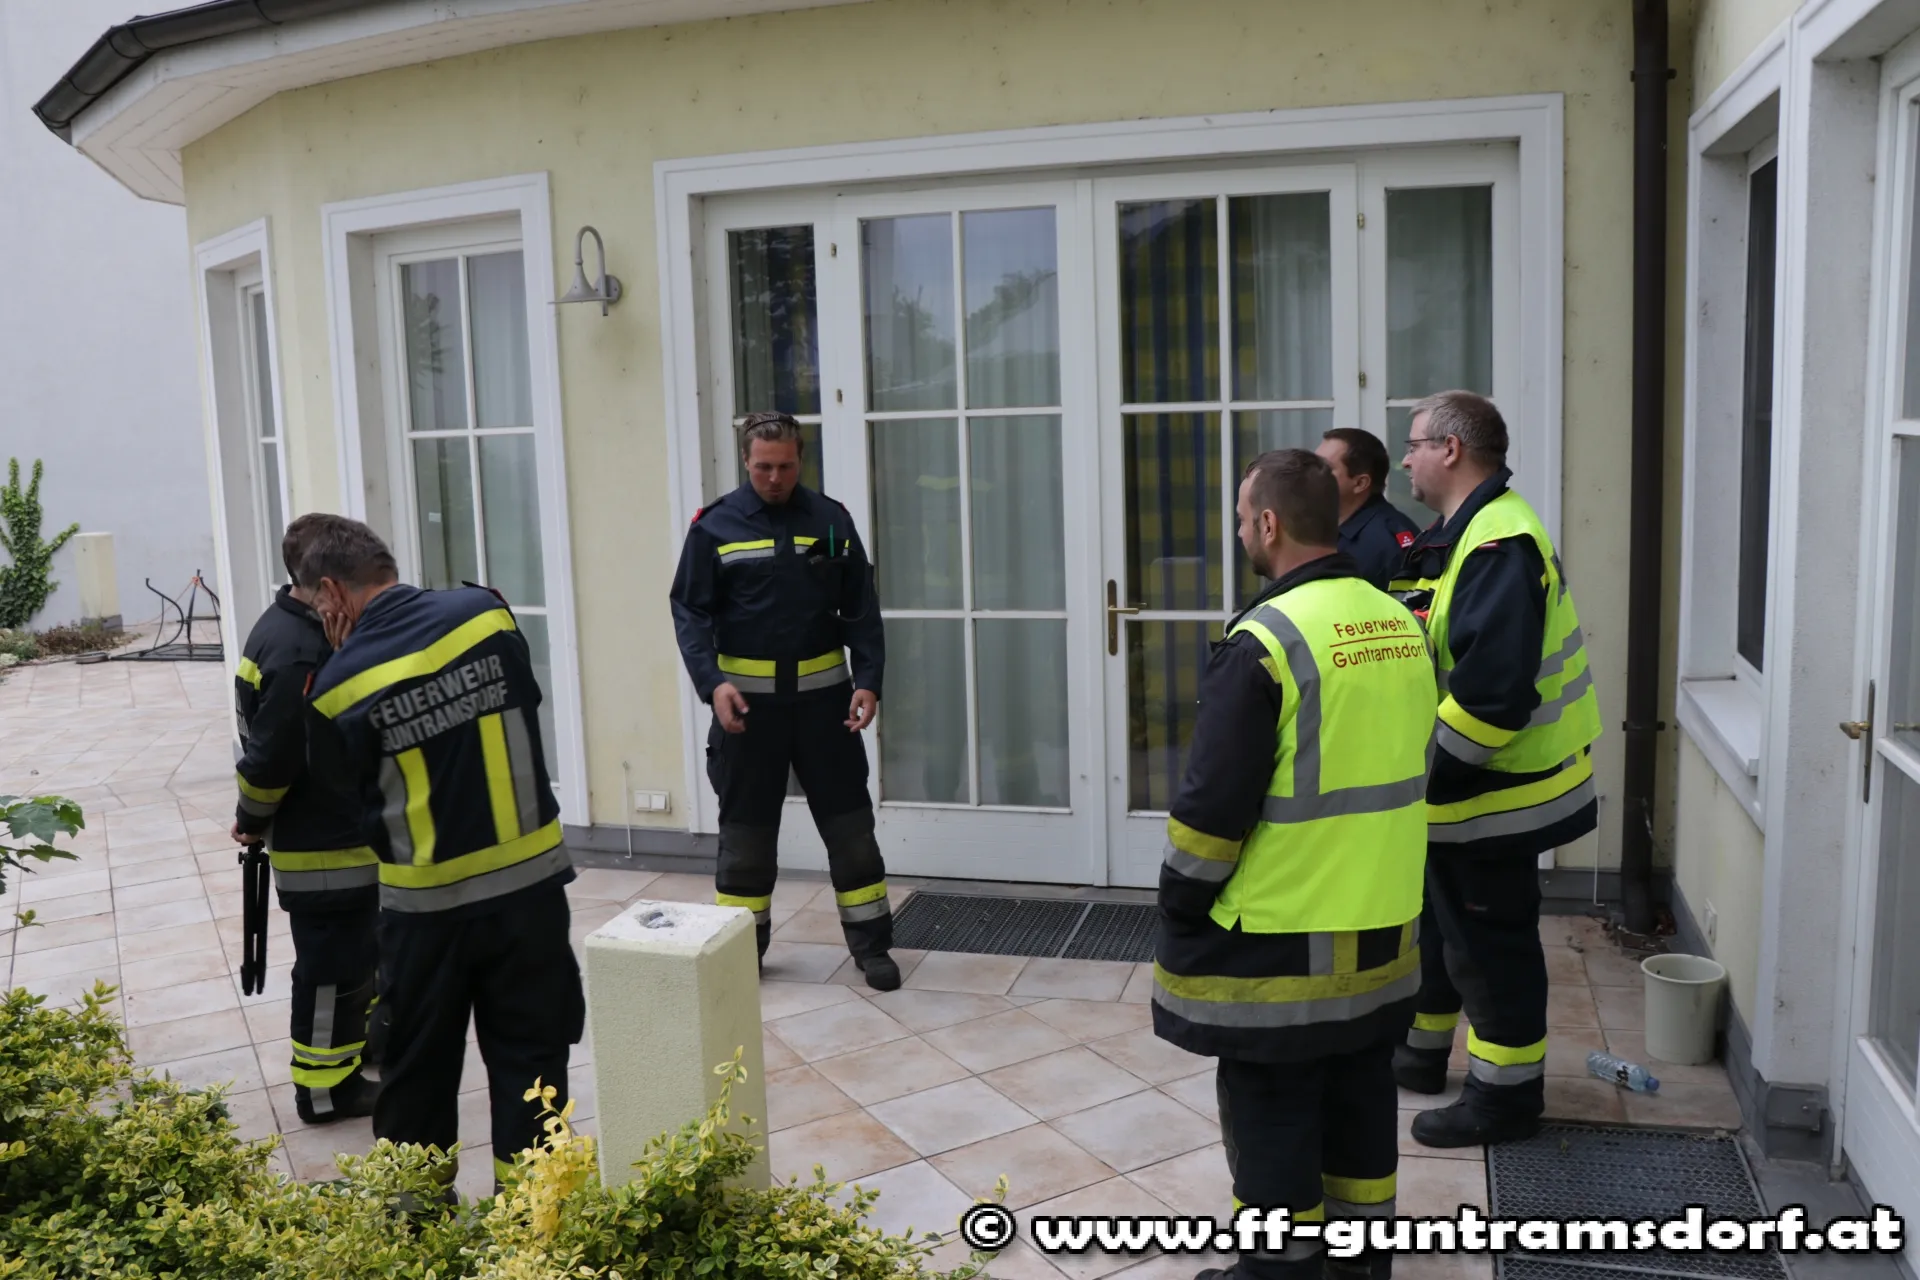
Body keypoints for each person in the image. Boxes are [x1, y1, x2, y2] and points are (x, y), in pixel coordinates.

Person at [1152, 449, 1437, 1280]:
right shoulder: (1399, 621)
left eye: (1245, 519)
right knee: (1360, 1104)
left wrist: (1179, 900)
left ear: (1269, 524)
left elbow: (1212, 811)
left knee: (1272, 1114)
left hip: (1280, 943)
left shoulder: (1266, 642)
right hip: (1383, 928)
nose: (1243, 531)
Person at [301, 515, 584, 1195]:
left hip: (427, 919)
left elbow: (349, 803)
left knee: (416, 1074)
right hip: (532, 899)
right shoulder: (487, 613)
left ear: (332, 591)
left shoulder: (336, 687)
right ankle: (536, 1223)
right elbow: (526, 697)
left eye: (315, 604)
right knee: (534, 1066)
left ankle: (419, 1224)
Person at [1388, 390, 1602, 1148]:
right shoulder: (1466, 532)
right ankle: (1420, 1057)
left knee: (1490, 951)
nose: (1404, 459)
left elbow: (1490, 699)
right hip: (1472, 796)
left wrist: (1424, 779)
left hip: (1496, 796)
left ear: (1450, 449)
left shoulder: (1498, 544)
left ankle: (1503, 1101)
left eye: (1414, 444)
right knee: (1444, 934)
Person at [668, 411, 898, 990]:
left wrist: (868, 679)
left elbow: (861, 607)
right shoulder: (714, 527)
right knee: (746, 840)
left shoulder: (831, 521)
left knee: (851, 833)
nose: (775, 478)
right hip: (748, 716)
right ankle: (742, 954)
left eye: (786, 467)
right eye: (764, 467)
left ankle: (872, 947)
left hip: (826, 711)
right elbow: (689, 611)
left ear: (801, 460)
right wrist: (712, 683)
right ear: (746, 461)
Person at [230, 514, 381, 1125]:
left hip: (334, 837)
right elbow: (271, 759)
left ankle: (355, 1056)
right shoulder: (301, 652)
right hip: (325, 847)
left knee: (354, 964)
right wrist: (250, 815)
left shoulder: (288, 627)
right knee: (330, 973)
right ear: (324, 585)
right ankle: (325, 1092)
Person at [1316, 427, 1421, 591]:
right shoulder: (1320, 527)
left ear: (1360, 483)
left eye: (1324, 468)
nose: (1310, 474)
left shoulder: (1388, 543)